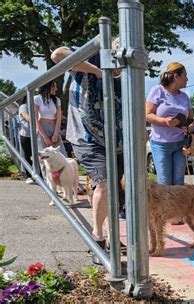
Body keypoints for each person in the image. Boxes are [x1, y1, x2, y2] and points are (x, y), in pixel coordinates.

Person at [51, 40, 125, 262]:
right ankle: (98, 238)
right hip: (86, 136)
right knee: (104, 183)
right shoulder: (91, 57)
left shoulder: (129, 74)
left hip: (116, 139)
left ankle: (112, 236)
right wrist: (96, 71)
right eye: (119, 56)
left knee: (113, 188)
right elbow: (57, 55)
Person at [145, 62, 194, 186]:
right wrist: (165, 122)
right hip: (161, 145)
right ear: (176, 77)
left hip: (180, 144)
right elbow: (147, 115)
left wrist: (190, 126)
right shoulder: (157, 90)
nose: (187, 79)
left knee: (178, 183)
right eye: (185, 75)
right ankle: (164, 206)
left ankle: (177, 206)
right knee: (164, 183)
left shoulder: (184, 97)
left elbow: (191, 120)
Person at [34, 80, 67, 157]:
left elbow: (59, 118)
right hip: (42, 128)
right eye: (53, 86)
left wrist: (56, 133)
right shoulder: (37, 98)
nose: (56, 89)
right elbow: (35, 118)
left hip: (54, 128)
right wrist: (45, 137)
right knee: (44, 156)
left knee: (61, 155)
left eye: (56, 87)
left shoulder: (57, 100)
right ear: (46, 87)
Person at [18, 97, 35, 184]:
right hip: (26, 135)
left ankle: (37, 175)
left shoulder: (34, 106)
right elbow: (28, 118)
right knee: (28, 155)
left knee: (36, 156)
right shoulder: (24, 106)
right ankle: (28, 176)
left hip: (35, 135)